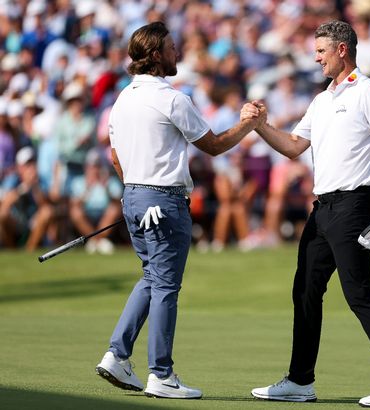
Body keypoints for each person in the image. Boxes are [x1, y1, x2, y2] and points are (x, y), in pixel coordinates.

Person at [247, 20, 370, 407]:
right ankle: (300, 380)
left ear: (342, 50)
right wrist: (260, 126)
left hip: (354, 205)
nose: (316, 58)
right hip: (323, 208)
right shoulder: (321, 100)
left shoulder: (367, 91)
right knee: (305, 290)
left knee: (358, 292)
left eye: (321, 51)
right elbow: (294, 146)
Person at [94, 21, 263, 399]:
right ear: (156, 55)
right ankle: (161, 374)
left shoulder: (121, 100)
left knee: (152, 278)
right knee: (165, 286)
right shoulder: (172, 99)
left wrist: (136, 193)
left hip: (133, 196)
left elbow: (116, 158)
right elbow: (214, 146)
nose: (178, 52)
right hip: (164, 201)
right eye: (172, 47)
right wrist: (248, 124)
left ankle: (117, 355)